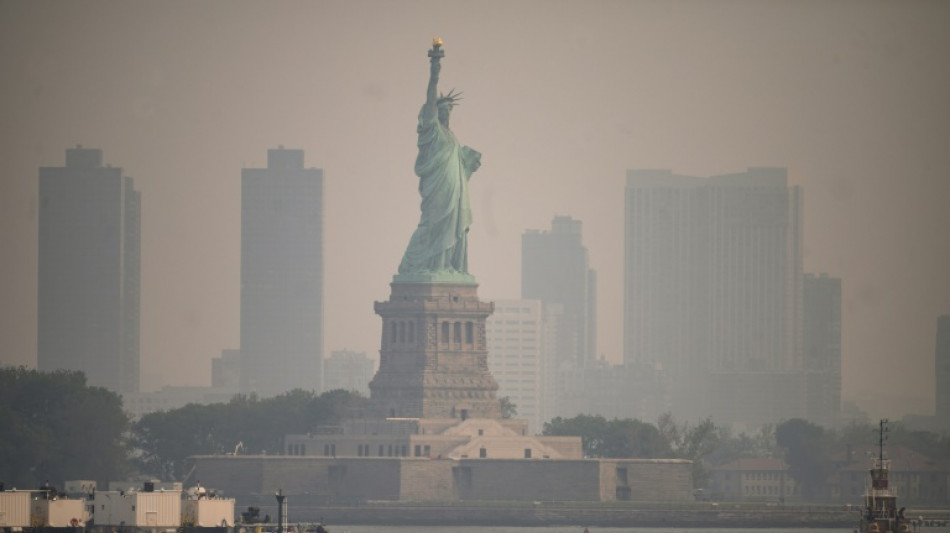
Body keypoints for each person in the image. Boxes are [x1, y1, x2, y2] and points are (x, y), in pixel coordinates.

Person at [398, 39, 481, 275]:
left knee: (452, 225)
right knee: (435, 224)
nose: (447, 113)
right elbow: (430, 99)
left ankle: (446, 265)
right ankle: (430, 265)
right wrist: (434, 71)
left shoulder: (452, 137)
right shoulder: (432, 131)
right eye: (443, 109)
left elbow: (459, 167)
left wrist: (469, 165)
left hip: (455, 190)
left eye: (450, 110)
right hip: (437, 189)